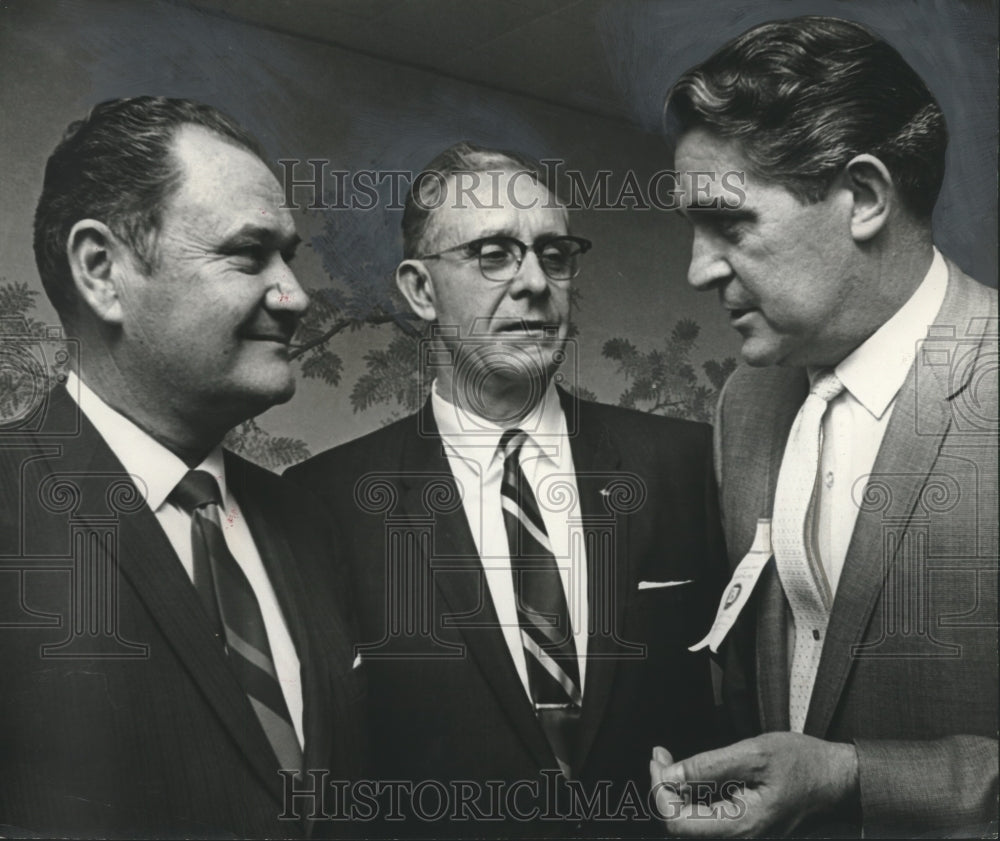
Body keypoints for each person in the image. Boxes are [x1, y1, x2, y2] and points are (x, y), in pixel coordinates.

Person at [286, 142, 727, 836]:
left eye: (553, 255)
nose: (534, 282)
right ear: (420, 289)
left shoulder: (685, 465)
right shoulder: (324, 502)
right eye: (494, 253)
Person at [651, 16, 998, 838]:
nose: (697, 269)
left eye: (730, 226)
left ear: (867, 198)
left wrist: (850, 777)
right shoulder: (748, 402)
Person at [0, 97, 364, 837]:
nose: (295, 294)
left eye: (289, 255)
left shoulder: (308, 520)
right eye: (247, 253)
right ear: (102, 271)